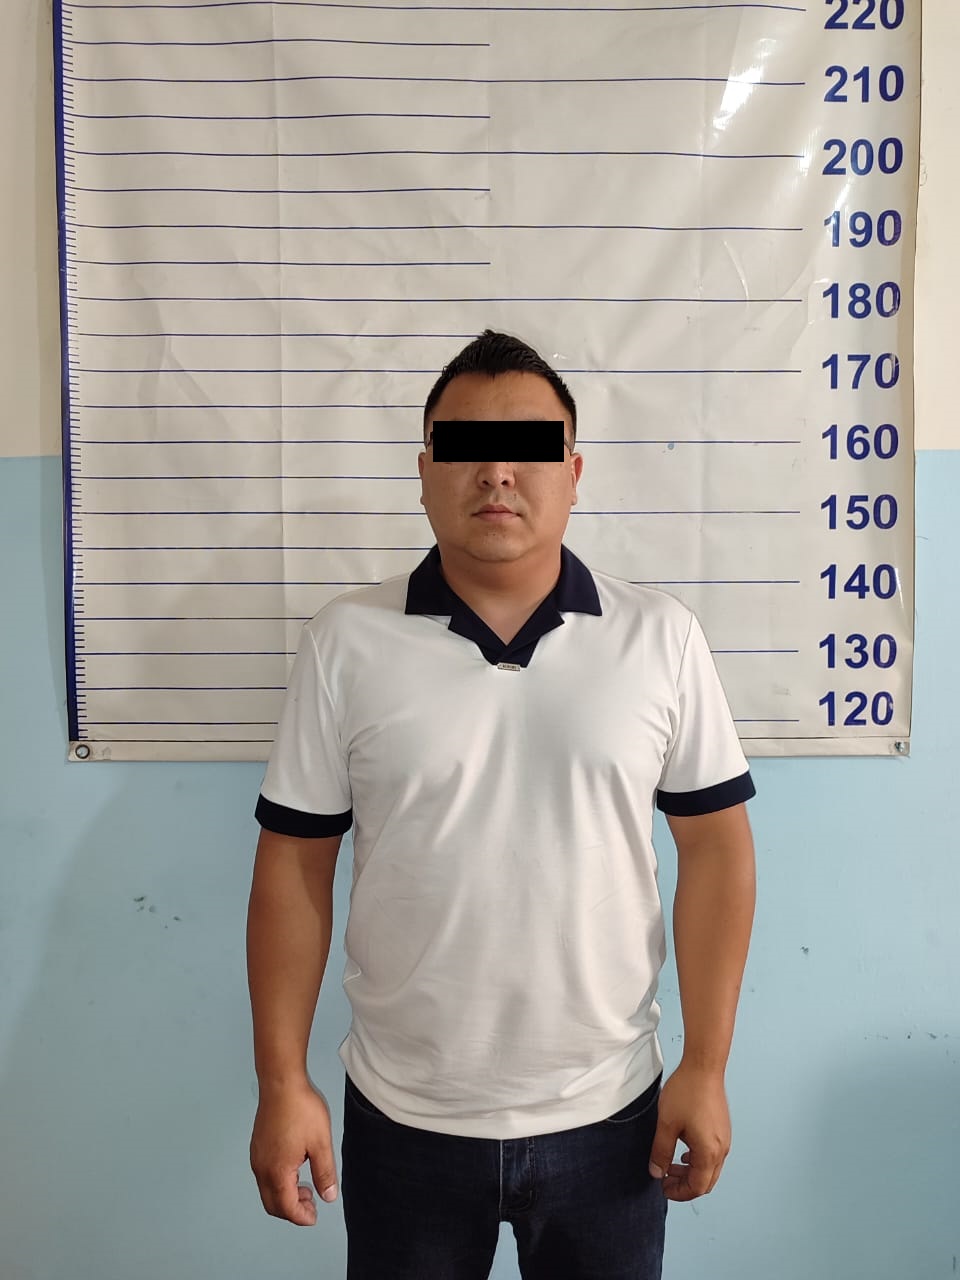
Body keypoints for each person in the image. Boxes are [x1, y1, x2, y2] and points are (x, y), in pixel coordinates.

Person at [246, 329, 757, 1279]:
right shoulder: (345, 641)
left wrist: (707, 1064)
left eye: (527, 450)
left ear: (573, 473)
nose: (497, 475)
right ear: (424, 473)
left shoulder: (661, 639)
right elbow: (293, 864)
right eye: (465, 449)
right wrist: (282, 1082)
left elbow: (718, 850)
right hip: (403, 1117)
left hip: (612, 1113)